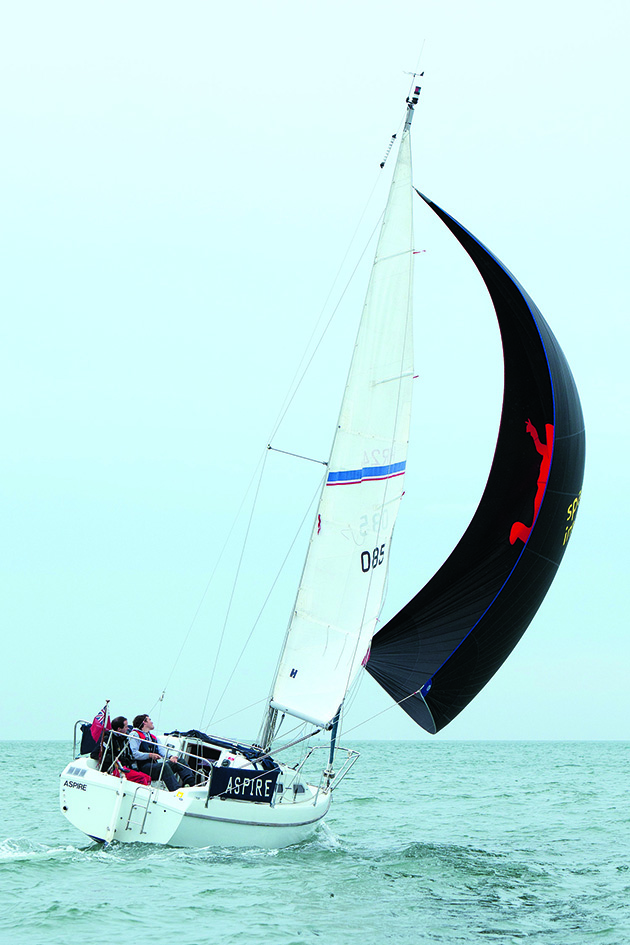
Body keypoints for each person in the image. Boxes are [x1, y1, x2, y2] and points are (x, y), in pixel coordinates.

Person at [128, 714, 195, 791]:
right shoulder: (134, 735)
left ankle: (191, 785)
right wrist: (149, 755)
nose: (152, 722)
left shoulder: (153, 737)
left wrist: (170, 757)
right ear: (144, 722)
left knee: (179, 761)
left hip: (153, 766)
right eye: (149, 720)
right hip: (143, 766)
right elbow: (134, 753)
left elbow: (161, 750)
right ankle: (176, 790)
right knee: (164, 766)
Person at [100, 716, 151, 785]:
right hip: (114, 769)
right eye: (126, 727)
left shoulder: (124, 740)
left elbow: (129, 756)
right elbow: (97, 754)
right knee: (141, 778)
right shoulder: (108, 739)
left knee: (147, 777)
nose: (128, 728)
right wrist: (115, 759)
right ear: (119, 729)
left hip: (124, 768)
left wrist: (134, 768)